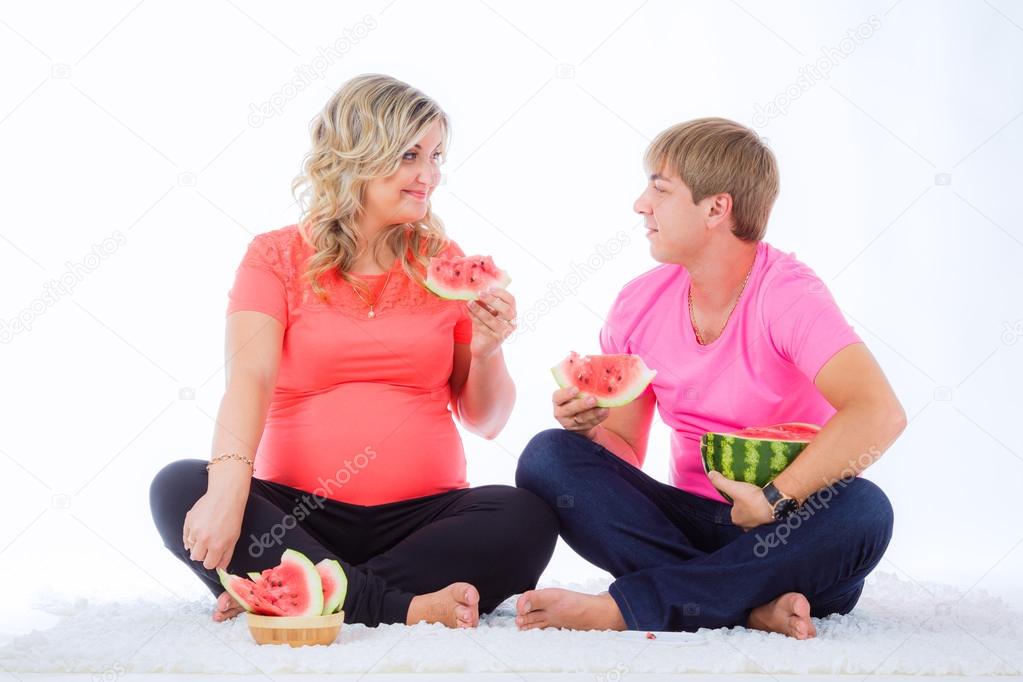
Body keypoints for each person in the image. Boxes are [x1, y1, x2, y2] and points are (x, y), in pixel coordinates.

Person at [149, 74, 558, 628]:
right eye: (410, 155)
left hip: (425, 522)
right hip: (297, 518)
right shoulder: (274, 257)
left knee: (526, 515)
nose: (430, 175)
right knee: (177, 486)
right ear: (356, 154)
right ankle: (398, 606)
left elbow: (486, 421)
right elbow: (249, 379)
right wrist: (225, 491)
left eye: (436, 156)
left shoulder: (444, 260)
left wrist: (487, 350)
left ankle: (293, 593)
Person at [515, 117, 904, 639]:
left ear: (716, 208)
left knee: (865, 510)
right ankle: (742, 607)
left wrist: (773, 498)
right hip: (687, 529)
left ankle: (630, 608)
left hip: (787, 531)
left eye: (660, 189)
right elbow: (625, 447)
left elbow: (879, 413)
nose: (640, 205)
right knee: (547, 457)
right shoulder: (638, 302)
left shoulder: (788, 295)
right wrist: (588, 430)